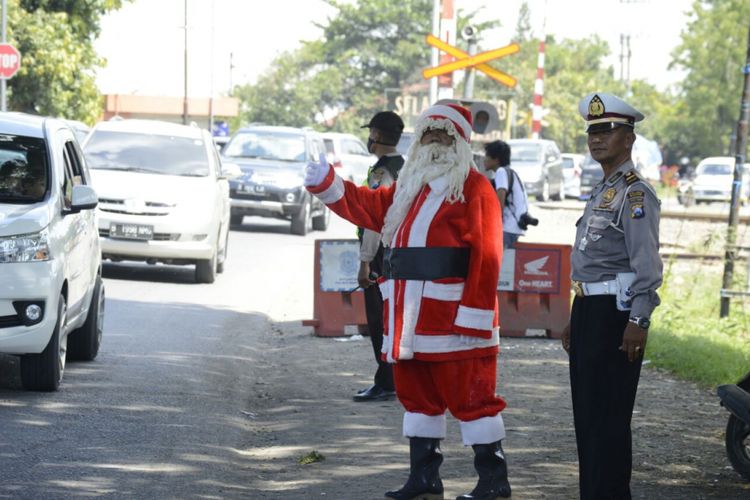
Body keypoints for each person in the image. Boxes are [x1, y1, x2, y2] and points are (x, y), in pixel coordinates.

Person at [305, 103, 511, 500]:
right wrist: (328, 182)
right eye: (428, 133)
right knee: (417, 399)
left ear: (460, 141)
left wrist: (475, 315)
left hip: (454, 318)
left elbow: (487, 256)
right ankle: (425, 477)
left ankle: (493, 481)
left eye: (443, 134)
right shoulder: (408, 186)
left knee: (472, 398)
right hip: (407, 314)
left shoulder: (474, 187)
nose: (434, 140)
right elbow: (368, 206)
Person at [561, 92, 663, 500]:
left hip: (616, 315)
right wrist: (577, 309)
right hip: (590, 308)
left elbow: (647, 266)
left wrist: (638, 321)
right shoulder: (603, 188)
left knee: (608, 418)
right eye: (593, 131)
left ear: (629, 138)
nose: (597, 138)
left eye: (608, 130)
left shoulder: (636, 194)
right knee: (587, 417)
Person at [353, 110, 405, 402]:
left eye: (370, 134)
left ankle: (386, 381)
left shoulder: (381, 173)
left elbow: (374, 220)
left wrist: (365, 263)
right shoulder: (406, 167)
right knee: (393, 317)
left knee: (379, 319)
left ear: (376, 136)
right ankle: (392, 378)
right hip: (400, 252)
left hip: (381, 254)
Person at [483, 140, 528, 248]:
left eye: (487, 156)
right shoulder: (510, 172)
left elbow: (499, 202)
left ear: (496, 159)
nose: (484, 160)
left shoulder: (501, 172)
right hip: (515, 227)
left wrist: (492, 226)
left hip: (507, 228)